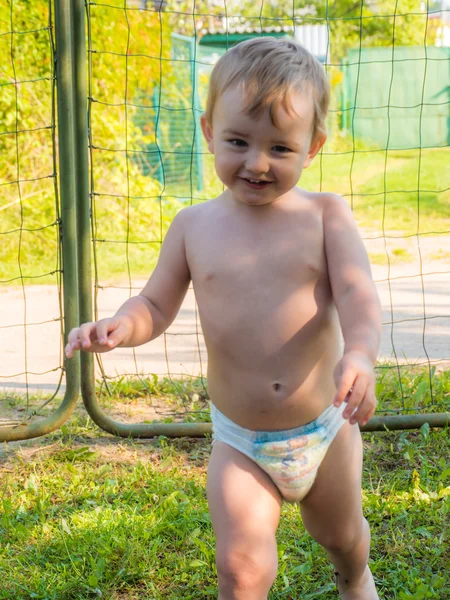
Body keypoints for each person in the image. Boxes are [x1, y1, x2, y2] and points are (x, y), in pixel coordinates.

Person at [66, 37, 382, 599]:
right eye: (238, 141)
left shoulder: (325, 215)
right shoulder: (194, 226)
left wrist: (359, 353)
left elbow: (359, 297)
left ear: (312, 147)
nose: (256, 163)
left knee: (340, 536)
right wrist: (121, 324)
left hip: (325, 429)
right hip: (241, 440)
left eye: (280, 149)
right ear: (210, 131)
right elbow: (156, 305)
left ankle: (354, 579)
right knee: (241, 569)